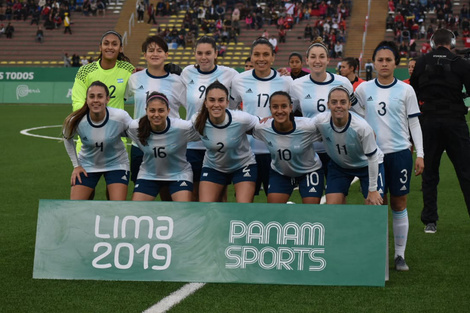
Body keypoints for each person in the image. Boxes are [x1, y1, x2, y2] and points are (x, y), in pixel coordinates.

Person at [355, 41, 424, 271]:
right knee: (375, 203)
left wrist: (420, 154)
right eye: (380, 60)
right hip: (374, 157)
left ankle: (399, 255)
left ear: (396, 63)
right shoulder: (363, 89)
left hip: (400, 153)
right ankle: (377, 255)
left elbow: (414, 123)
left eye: (388, 60)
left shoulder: (406, 89)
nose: (384, 64)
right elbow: (354, 116)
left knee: (398, 202)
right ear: (373, 63)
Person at [410, 28, 470, 233]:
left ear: (433, 42)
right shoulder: (460, 63)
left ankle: (430, 221)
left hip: (429, 123)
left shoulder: (421, 62)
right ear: (451, 42)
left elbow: (414, 92)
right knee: (466, 172)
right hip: (455, 123)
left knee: (430, 173)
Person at [230, 37, 294, 196]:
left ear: (273, 57)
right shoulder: (239, 80)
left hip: (276, 152)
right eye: (256, 54)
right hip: (247, 152)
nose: (261, 59)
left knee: (276, 206)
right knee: (245, 206)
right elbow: (231, 109)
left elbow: (293, 112)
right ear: (251, 57)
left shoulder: (285, 81)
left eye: (266, 54)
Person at [180, 36, 238, 201]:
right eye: (199, 53)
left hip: (218, 143)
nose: (203, 57)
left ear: (216, 54)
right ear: (194, 54)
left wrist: (284, 74)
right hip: (193, 143)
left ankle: (220, 226)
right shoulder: (187, 72)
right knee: (194, 194)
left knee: (220, 195)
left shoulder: (230, 74)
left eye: (208, 53)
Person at [290, 37, 356, 176]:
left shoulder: (343, 82)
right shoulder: (297, 85)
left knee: (337, 195)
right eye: (313, 57)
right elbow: (288, 113)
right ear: (307, 60)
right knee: (312, 197)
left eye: (321, 57)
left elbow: (356, 113)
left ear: (328, 60)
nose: (317, 61)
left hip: (338, 149)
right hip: (310, 150)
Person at [125, 35, 185, 185]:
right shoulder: (134, 79)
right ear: (144, 55)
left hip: (170, 144)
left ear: (166, 54)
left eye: (159, 50)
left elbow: (191, 107)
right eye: (150, 50)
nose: (155, 54)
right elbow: (121, 99)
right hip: (141, 143)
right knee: (141, 192)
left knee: (169, 193)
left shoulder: (177, 81)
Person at [312, 85, 384, 206]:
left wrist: (372, 189)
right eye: (334, 102)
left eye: (343, 102)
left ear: (349, 105)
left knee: (374, 206)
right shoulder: (320, 121)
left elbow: (372, 158)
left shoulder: (362, 127)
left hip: (366, 165)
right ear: (328, 104)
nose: (338, 105)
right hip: (339, 166)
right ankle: (342, 225)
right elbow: (301, 127)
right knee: (333, 207)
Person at [62, 81, 132, 200]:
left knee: (117, 207)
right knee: (75, 207)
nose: (95, 100)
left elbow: (137, 134)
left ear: (107, 99)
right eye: (92, 96)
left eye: (100, 96)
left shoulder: (120, 117)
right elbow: (67, 139)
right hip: (87, 164)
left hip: (117, 164)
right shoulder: (76, 120)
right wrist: (76, 166)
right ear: (86, 99)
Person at [193, 81, 259, 203]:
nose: (216, 104)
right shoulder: (196, 120)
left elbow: (264, 125)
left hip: (243, 165)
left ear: (227, 103)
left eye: (221, 100)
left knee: (243, 207)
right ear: (206, 103)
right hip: (213, 166)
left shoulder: (241, 119)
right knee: (206, 208)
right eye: (212, 100)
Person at [252, 91, 324, 203]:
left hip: (309, 171)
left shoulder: (308, 126)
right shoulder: (262, 127)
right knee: (274, 211)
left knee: (311, 211)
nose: (280, 111)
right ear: (270, 109)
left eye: (284, 106)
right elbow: (243, 126)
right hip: (281, 172)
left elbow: (329, 130)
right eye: (275, 107)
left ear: (291, 108)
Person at [127, 92, 199, 201]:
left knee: (183, 211)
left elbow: (204, 132)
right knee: (136, 210)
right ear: (146, 111)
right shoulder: (135, 128)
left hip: (179, 175)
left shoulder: (181, 128)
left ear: (168, 111)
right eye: (152, 110)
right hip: (148, 175)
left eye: (161, 110)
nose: (156, 114)